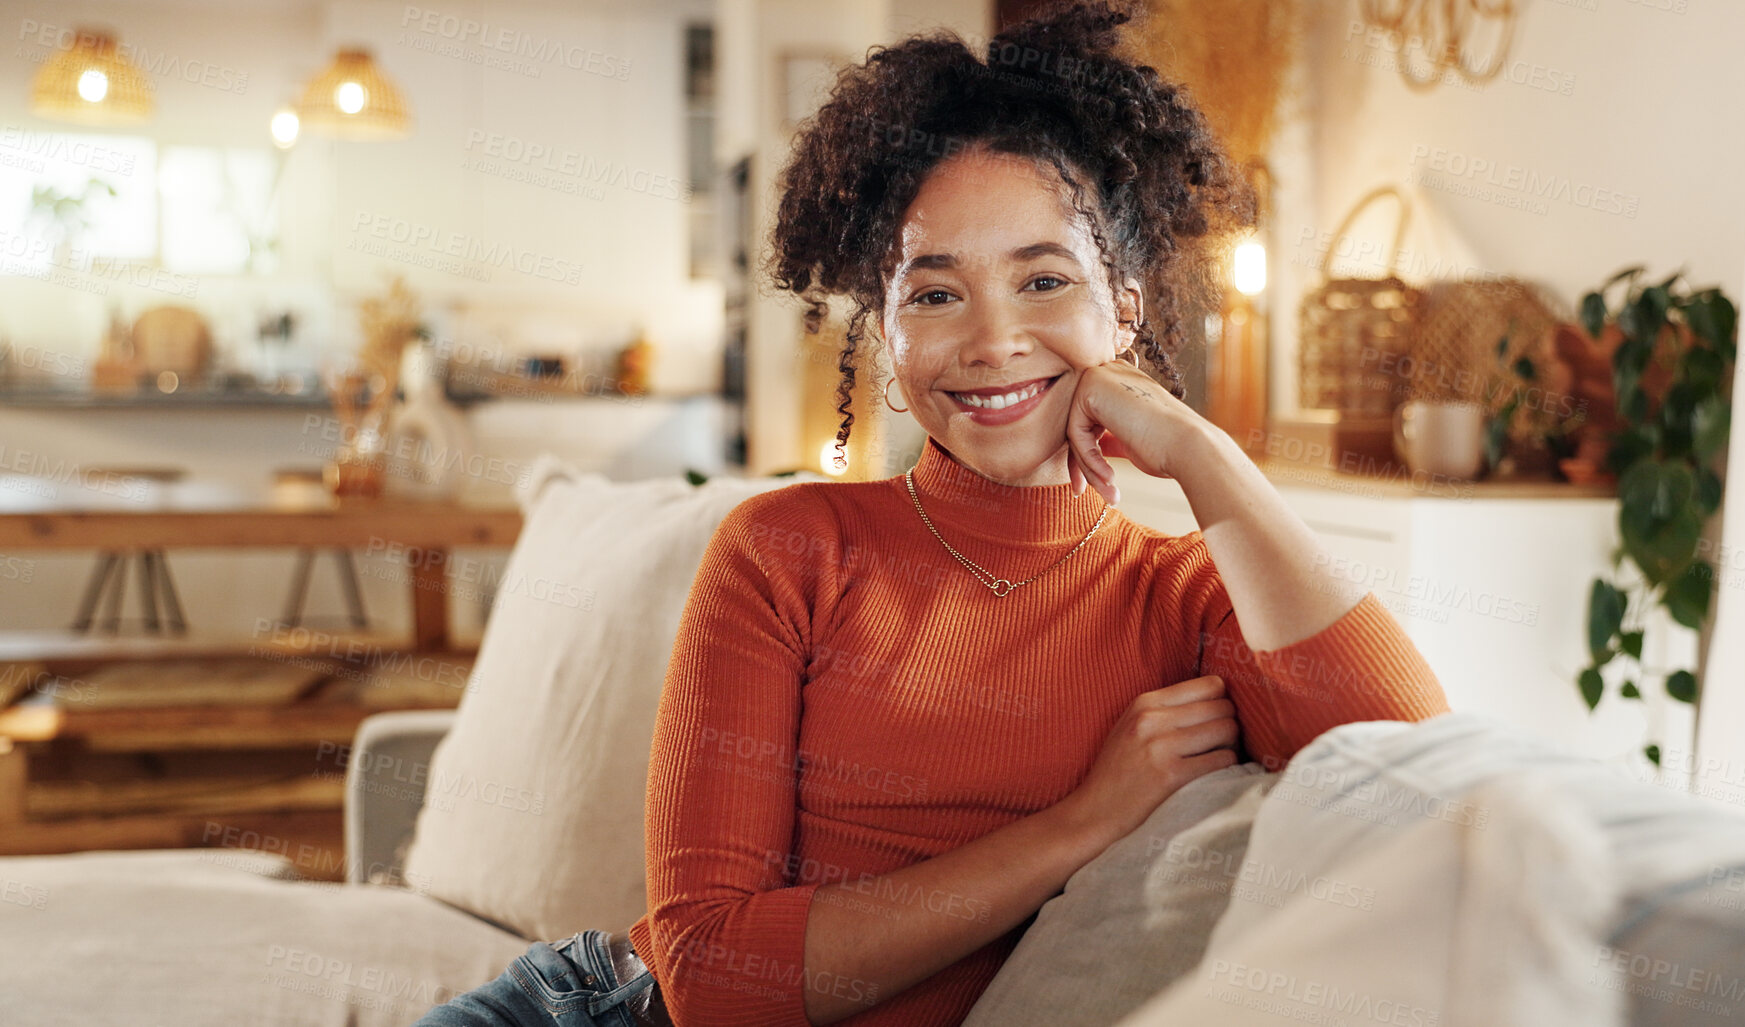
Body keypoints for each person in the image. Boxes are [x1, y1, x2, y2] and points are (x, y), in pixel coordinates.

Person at [415, 3, 1449, 1025]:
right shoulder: (789, 550)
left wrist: (1205, 455)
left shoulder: (1188, 596)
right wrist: (1082, 822)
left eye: (1044, 280)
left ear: (1124, 307)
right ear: (888, 331)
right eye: (935, 293)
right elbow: (711, 980)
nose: (993, 340)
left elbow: (1420, 785)